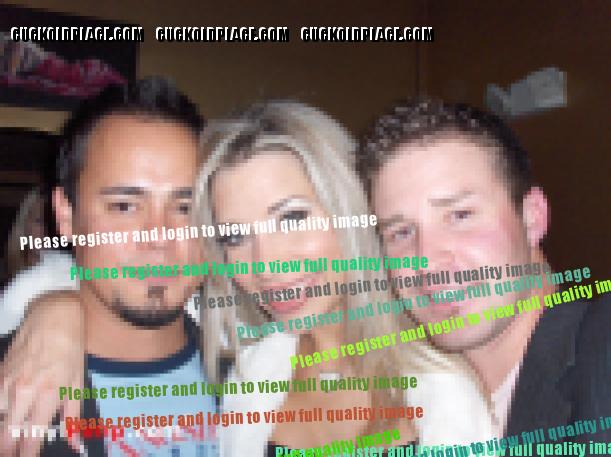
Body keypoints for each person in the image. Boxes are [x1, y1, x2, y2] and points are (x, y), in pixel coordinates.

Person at [2, 100, 496, 457]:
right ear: (65, 217)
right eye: (236, 235)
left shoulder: (452, 370)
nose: (266, 264)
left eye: (292, 217)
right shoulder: (247, 372)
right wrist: (51, 306)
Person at [358, 99, 611, 442]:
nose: (426, 261)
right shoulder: (414, 407)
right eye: (401, 233)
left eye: (460, 215)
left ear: (532, 218)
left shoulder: (600, 348)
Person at [1, 76, 218, 457]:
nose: (159, 237)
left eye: (185, 208)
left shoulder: (262, 380)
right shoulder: (11, 387)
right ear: (66, 216)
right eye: (124, 206)